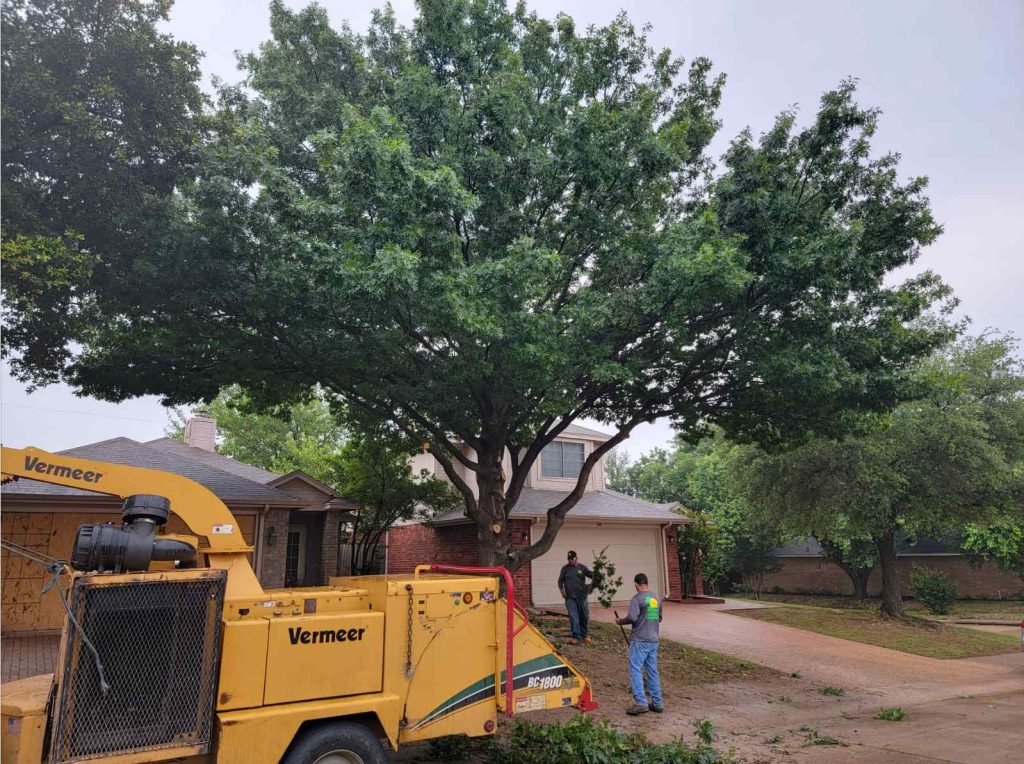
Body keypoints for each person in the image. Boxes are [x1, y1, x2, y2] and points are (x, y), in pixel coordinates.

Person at [616, 572, 663, 715]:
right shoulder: (656, 598)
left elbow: (632, 617)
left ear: (636, 585)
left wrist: (620, 621)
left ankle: (641, 702)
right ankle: (657, 703)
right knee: (652, 671)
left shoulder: (637, 599)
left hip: (639, 640)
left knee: (635, 669)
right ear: (646, 583)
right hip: (653, 640)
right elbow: (659, 618)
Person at [557, 550, 594, 644]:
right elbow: (560, 581)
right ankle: (576, 636)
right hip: (570, 597)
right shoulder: (565, 569)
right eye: (569, 559)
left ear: (576, 558)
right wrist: (562, 591)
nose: (570, 561)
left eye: (572, 559)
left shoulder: (583, 568)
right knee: (573, 617)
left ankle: (585, 635)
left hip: (582, 596)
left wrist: (596, 574)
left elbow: (592, 575)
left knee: (584, 616)